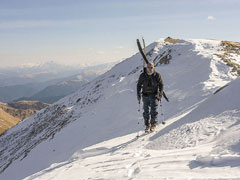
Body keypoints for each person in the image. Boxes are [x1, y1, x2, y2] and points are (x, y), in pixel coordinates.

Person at [137, 62, 164, 132]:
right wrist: (138, 95)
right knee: (146, 111)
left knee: (153, 111)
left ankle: (153, 124)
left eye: (151, 67)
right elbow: (139, 85)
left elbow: (161, 85)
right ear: (146, 67)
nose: (150, 69)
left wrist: (160, 95)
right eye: (148, 67)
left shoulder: (157, 75)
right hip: (145, 95)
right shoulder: (142, 75)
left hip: (154, 95)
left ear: (153, 67)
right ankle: (147, 125)